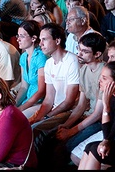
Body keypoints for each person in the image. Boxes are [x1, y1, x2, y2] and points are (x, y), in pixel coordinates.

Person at [53, 32, 106, 170]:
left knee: (65, 147)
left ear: (97, 54)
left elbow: (98, 114)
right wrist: (66, 125)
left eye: (85, 51)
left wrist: (70, 132)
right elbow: (81, 105)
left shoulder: (104, 73)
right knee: (52, 139)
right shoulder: (84, 70)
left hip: (101, 122)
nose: (79, 54)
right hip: (88, 117)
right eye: (79, 49)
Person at [28, 23, 80, 161]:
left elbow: (69, 101)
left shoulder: (72, 61)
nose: (41, 44)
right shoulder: (49, 63)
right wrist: (39, 116)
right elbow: (49, 99)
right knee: (27, 124)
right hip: (54, 108)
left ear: (57, 41)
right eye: (40, 39)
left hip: (69, 111)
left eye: (45, 39)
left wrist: (47, 117)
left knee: (35, 130)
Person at [15, 20, 48, 118]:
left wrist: (22, 108)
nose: (18, 39)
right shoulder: (23, 56)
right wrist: (15, 104)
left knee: (18, 119)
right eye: (18, 36)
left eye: (22, 36)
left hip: (39, 102)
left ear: (33, 38)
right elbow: (24, 86)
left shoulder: (41, 57)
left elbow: (41, 91)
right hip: (28, 99)